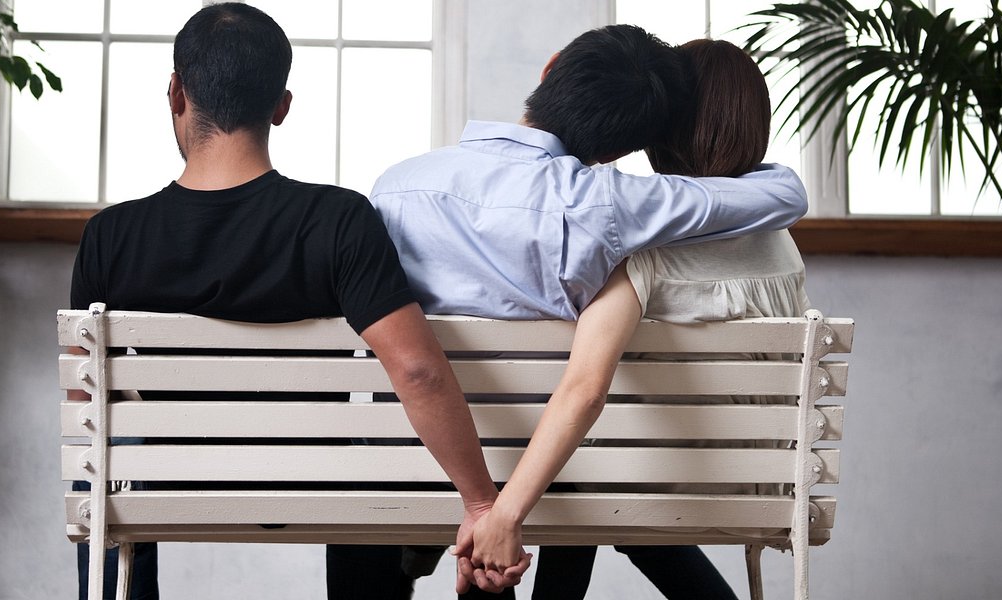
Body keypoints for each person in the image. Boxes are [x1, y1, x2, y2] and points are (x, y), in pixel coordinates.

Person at [65, 4, 527, 599]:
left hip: (171, 478)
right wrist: (480, 504)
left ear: (176, 93)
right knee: (374, 464)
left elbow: (84, 403)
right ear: (281, 106)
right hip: (314, 476)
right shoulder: (338, 220)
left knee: (108, 468)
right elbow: (415, 369)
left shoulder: (112, 235)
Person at [369, 25, 808, 598]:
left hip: (407, 454)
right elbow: (784, 195)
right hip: (560, 469)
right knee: (598, 468)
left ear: (551, 67)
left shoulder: (395, 186)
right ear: (617, 152)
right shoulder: (609, 203)